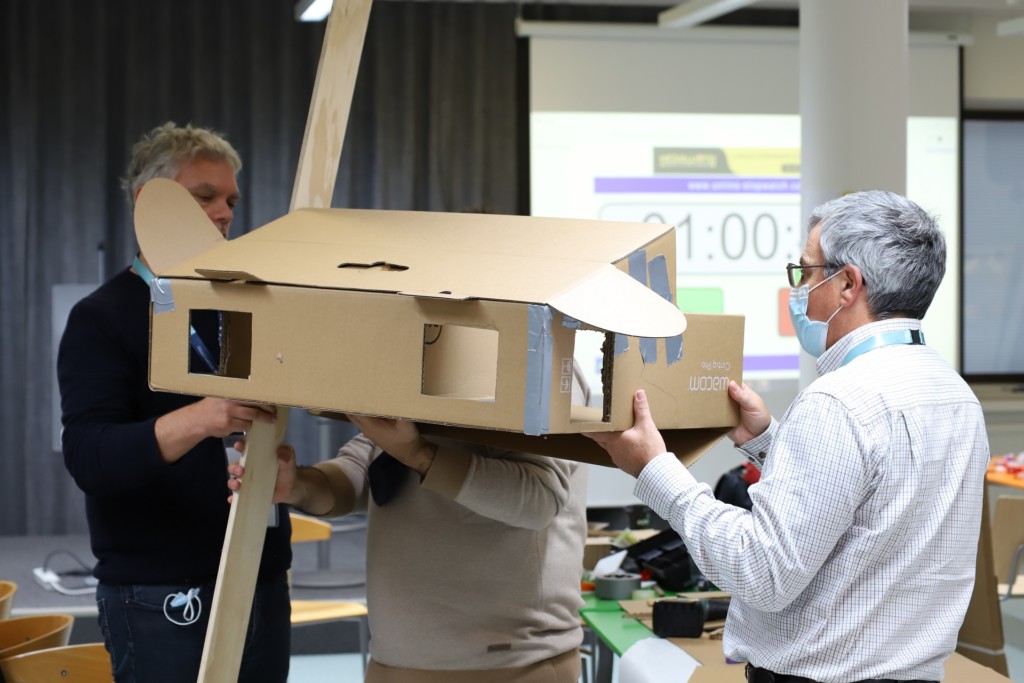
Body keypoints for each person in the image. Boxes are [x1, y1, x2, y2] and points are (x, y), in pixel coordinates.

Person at [585, 190, 990, 683]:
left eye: (805, 272)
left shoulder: (840, 401)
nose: (798, 290)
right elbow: (874, 502)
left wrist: (655, 469)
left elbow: (761, 572)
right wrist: (770, 440)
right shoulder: (955, 395)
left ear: (847, 285)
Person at [58, 122, 292, 683]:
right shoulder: (101, 317)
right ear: (149, 204)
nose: (224, 212)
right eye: (204, 196)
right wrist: (201, 418)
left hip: (257, 574)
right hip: (159, 587)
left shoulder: (241, 306)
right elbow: (90, 456)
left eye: (231, 199)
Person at [229, 374, 592, 683]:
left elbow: (538, 499)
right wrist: (297, 485)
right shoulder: (414, 355)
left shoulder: (539, 358)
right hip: (395, 659)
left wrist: (416, 453)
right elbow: (365, 465)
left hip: (512, 665)